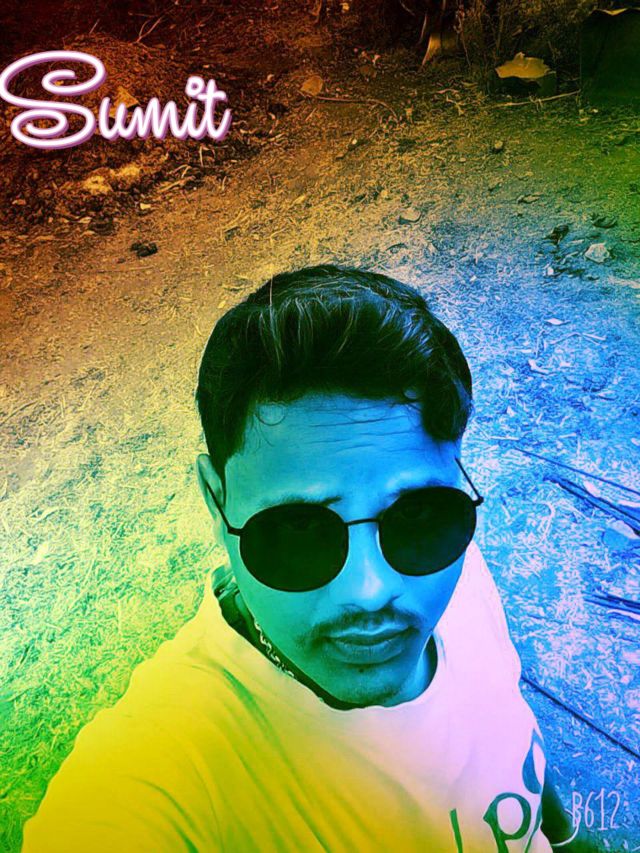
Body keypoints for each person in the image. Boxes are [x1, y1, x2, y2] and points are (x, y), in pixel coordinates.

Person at [22, 265, 579, 851]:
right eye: (298, 531)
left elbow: (512, 737)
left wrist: (564, 835)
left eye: (418, 516)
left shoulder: (460, 570)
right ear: (215, 500)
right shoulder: (154, 775)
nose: (370, 590)